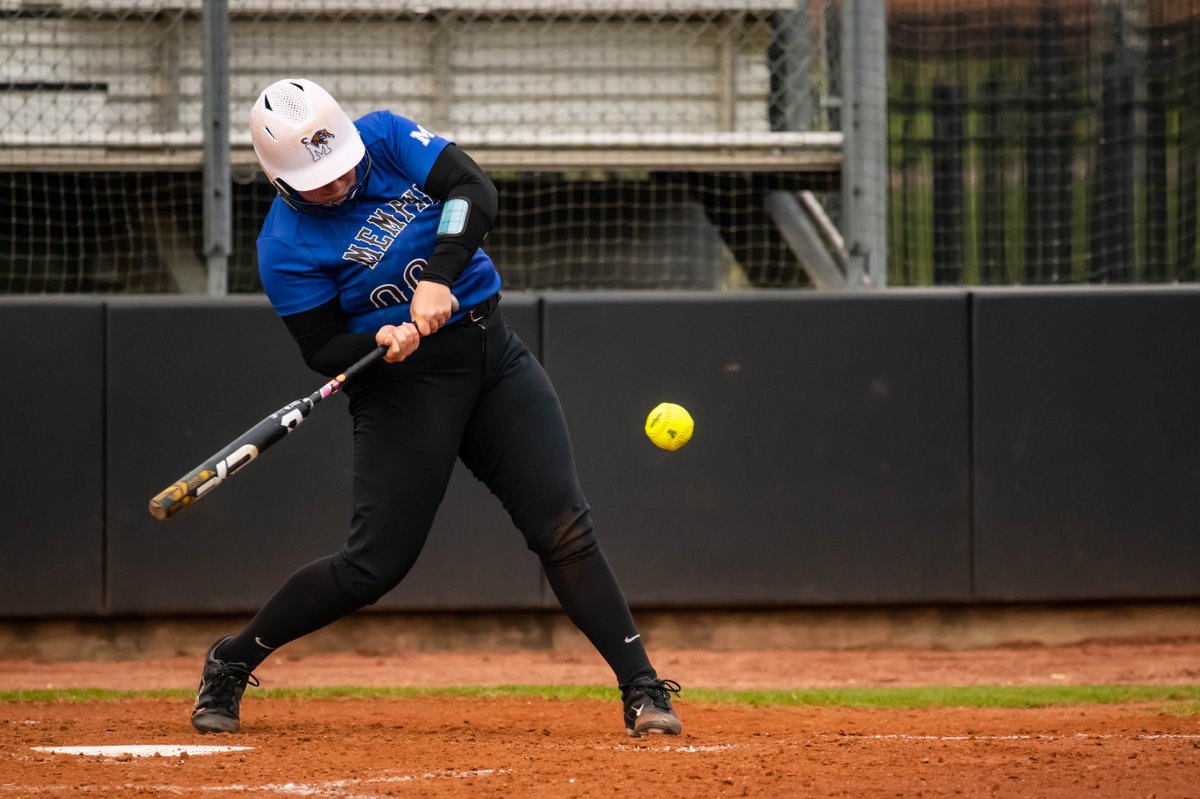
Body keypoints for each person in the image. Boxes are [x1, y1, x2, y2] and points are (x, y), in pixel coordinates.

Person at [189, 78, 682, 739]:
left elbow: (473, 189)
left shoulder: (388, 139)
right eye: (317, 180)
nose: (336, 186)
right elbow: (321, 347)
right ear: (280, 179)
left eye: (341, 169)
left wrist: (442, 275)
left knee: (563, 526)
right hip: (402, 389)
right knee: (372, 566)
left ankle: (643, 689)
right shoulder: (284, 248)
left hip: (491, 353)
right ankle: (232, 658)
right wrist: (378, 338)